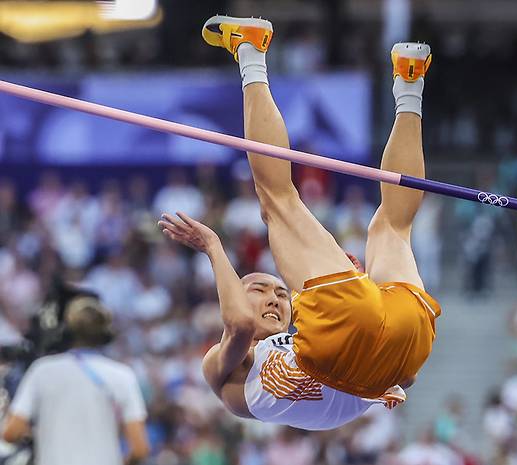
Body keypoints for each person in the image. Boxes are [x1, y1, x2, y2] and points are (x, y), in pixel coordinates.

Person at [158, 14, 441, 431]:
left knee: (390, 226)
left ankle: (410, 84)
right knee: (278, 201)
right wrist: (214, 248)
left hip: (384, 345)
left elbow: (238, 322)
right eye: (258, 289)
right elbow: (238, 324)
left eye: (279, 293)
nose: (274, 298)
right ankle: (250, 51)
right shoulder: (236, 362)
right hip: (373, 349)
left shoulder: (241, 357)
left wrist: (365, 312)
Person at [2, 295, 150, 465]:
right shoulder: (122, 375)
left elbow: (11, 432)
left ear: (67, 331)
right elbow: (140, 448)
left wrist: (42, 432)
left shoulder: (43, 370)